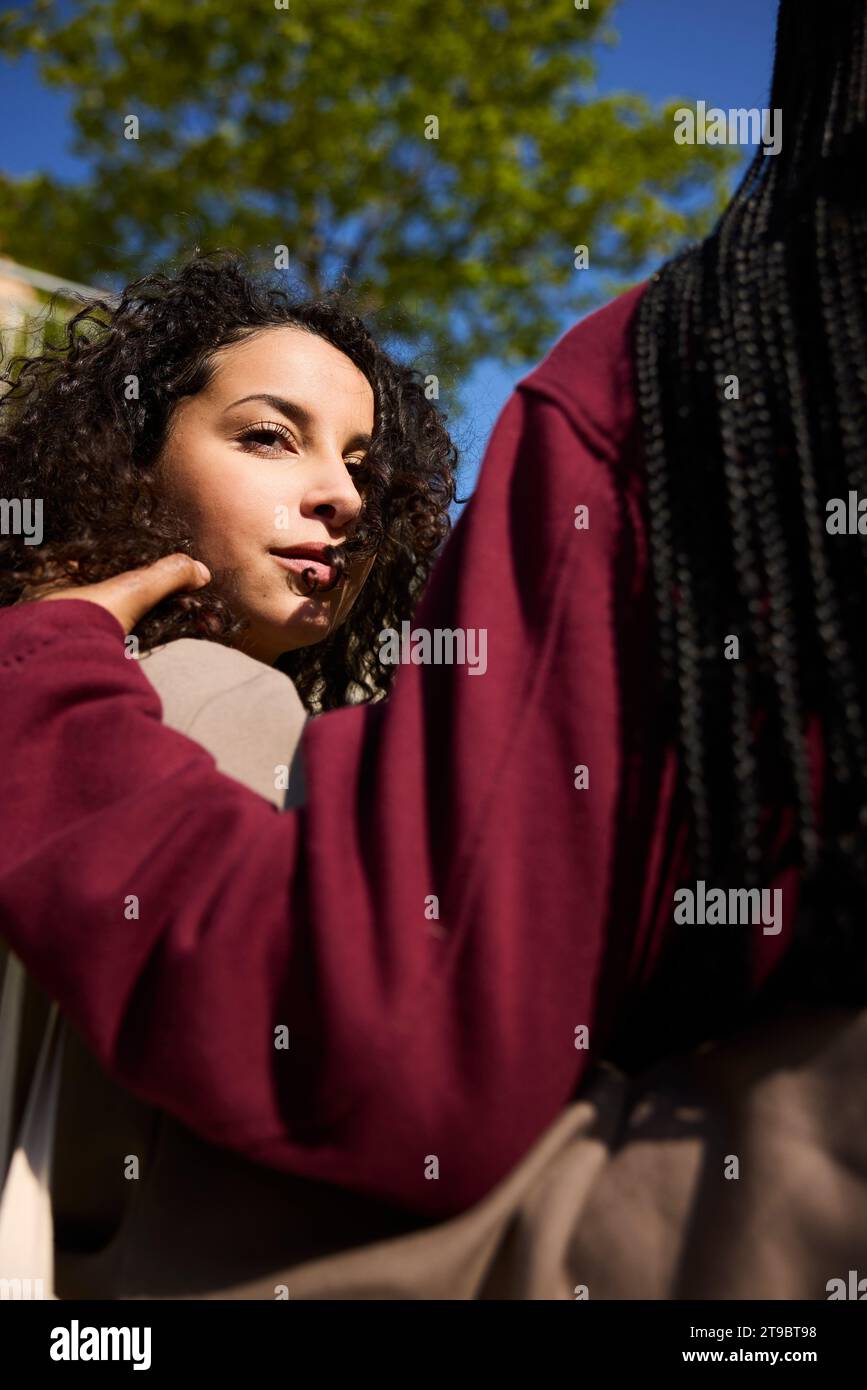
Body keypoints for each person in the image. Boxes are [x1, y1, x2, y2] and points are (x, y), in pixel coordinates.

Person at [0, 0, 864, 1228]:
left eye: (364, 463)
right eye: (267, 436)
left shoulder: (333, 731)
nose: (339, 494)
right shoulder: (182, 699)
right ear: (125, 461)